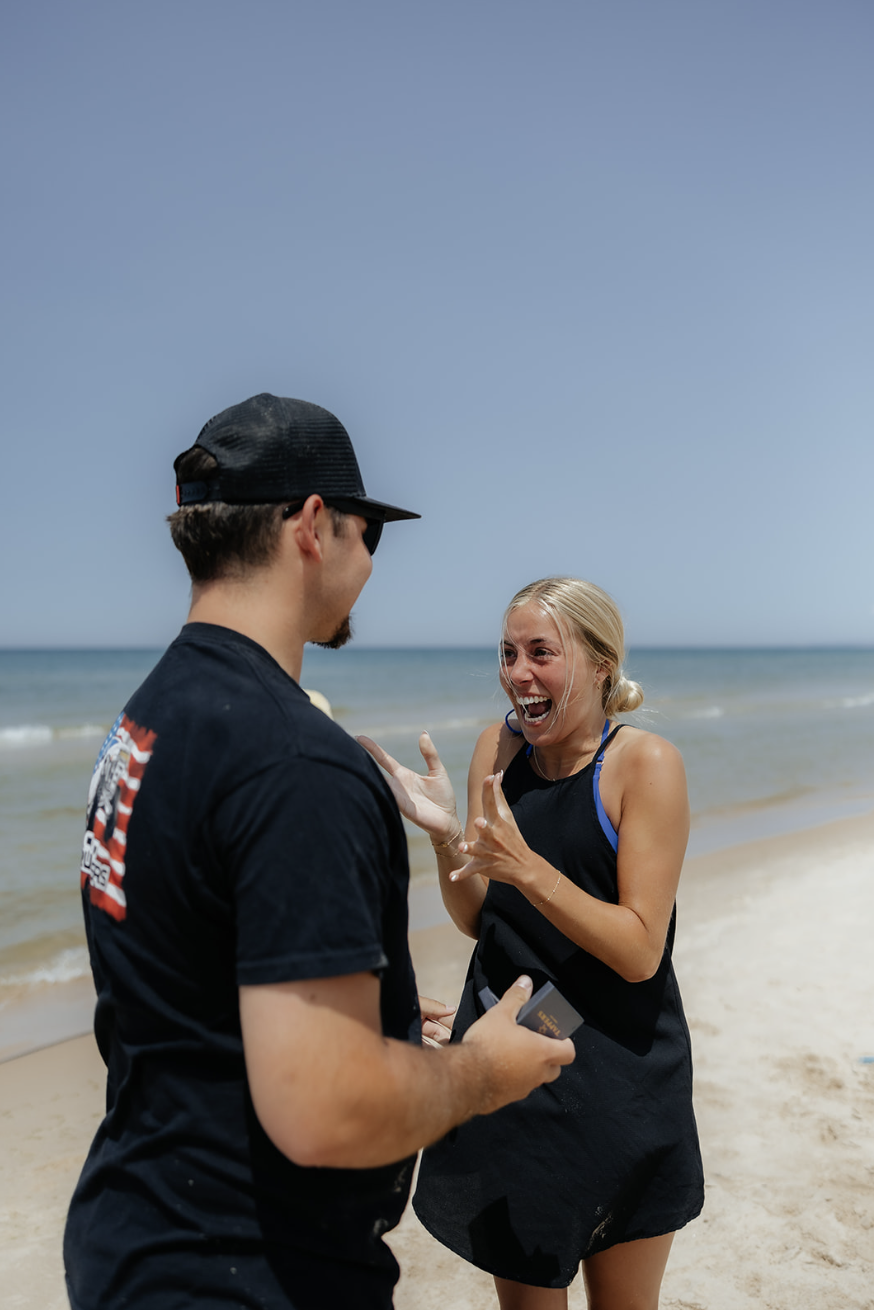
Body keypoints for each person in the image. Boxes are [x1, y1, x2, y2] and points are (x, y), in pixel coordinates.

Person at [63, 395, 575, 1310]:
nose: (372, 562)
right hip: (252, 1269)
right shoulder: (298, 761)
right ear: (312, 525)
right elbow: (327, 1110)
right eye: (369, 531)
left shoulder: (146, 720)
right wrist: (478, 1074)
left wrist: (372, 1023)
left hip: (132, 1232)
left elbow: (186, 973)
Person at [360, 576, 705, 1310]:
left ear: (601, 663)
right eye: (509, 652)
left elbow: (641, 948)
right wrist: (447, 835)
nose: (518, 674)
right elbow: (480, 914)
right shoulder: (499, 749)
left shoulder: (644, 766)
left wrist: (528, 868)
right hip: (514, 1072)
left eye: (541, 652)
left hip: (625, 1081)